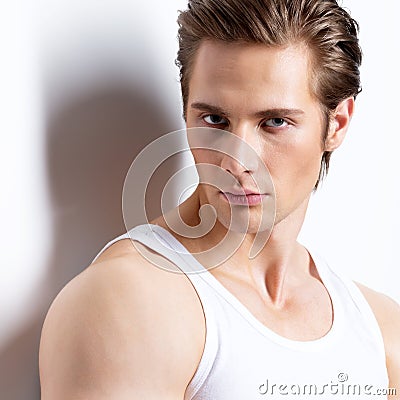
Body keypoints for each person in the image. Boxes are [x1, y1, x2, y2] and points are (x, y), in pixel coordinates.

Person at [39, 0, 400, 399]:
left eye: (274, 122)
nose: (236, 157)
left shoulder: (380, 329)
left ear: (338, 124)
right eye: (214, 120)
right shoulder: (129, 302)